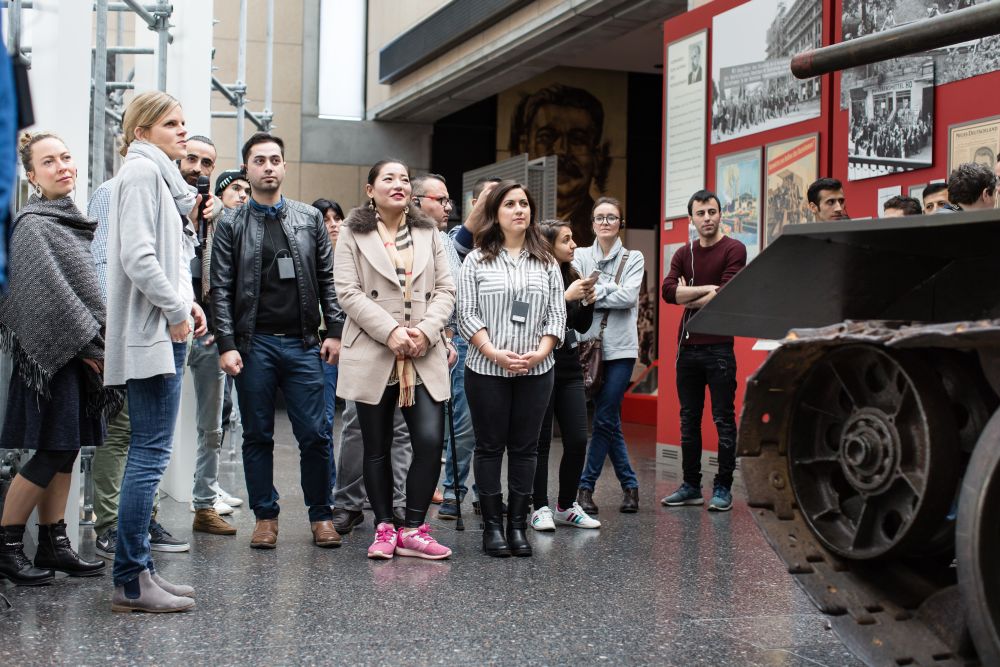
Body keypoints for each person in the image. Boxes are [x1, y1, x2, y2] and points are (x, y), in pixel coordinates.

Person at [211, 132, 342, 550]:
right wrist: (226, 343)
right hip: (254, 345)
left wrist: (335, 331)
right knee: (257, 435)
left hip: (304, 343)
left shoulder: (308, 220)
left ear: (284, 167)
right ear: (247, 169)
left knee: (317, 435)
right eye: (260, 160)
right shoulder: (230, 223)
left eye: (275, 160)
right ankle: (265, 516)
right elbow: (219, 287)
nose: (268, 166)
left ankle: (322, 516)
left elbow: (327, 280)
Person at [106, 91, 206, 613]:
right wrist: (175, 310)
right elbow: (139, 257)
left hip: (164, 329)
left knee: (148, 455)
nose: (182, 131)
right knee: (148, 457)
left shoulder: (160, 178)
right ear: (142, 132)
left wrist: (187, 305)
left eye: (184, 122)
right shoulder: (144, 175)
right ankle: (130, 578)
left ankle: (139, 571)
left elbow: (163, 258)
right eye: (171, 123)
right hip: (154, 335)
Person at [0, 132, 115, 586]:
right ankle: (7, 546)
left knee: (67, 451)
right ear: (32, 176)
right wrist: (90, 348)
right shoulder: (32, 225)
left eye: (66, 157)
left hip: (73, 356)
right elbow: (49, 300)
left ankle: (54, 542)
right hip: (51, 358)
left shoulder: (69, 220)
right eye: (50, 162)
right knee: (51, 451)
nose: (63, 166)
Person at [335, 159, 455, 560]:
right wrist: (391, 332)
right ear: (371, 189)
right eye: (389, 178)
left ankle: (414, 528)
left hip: (423, 349)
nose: (398, 184)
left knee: (428, 440)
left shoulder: (429, 231)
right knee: (377, 445)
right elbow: (347, 293)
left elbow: (445, 289)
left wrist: (425, 331)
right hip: (374, 349)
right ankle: (385, 526)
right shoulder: (352, 233)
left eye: (404, 179)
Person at [458, 180, 566, 558]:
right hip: (486, 368)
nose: (519, 209)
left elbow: (557, 313)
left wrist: (540, 353)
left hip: (537, 370)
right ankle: (492, 528)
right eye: (509, 204)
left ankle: (518, 527)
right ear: (495, 213)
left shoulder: (547, 261)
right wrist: (492, 351)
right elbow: (466, 313)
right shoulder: (476, 259)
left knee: (526, 449)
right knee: (489, 447)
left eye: (524, 203)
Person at [660, 189, 747, 512]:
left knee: (723, 419)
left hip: (720, 348)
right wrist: (704, 291)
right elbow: (669, 292)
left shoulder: (734, 249)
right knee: (689, 420)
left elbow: (727, 294)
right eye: (701, 213)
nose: (707, 218)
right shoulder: (685, 253)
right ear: (692, 218)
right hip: (687, 349)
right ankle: (691, 486)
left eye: (712, 211)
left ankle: (723, 488)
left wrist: (689, 295)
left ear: (720, 213)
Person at [176, 135, 242, 538]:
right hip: (167, 324)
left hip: (210, 330)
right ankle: (143, 515)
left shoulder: (220, 216)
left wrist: (219, 218)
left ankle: (204, 504)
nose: (198, 168)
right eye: (192, 159)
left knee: (212, 425)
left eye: (207, 163)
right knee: (153, 426)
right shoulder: (162, 201)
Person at [572, 197, 644, 515]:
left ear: (620, 223)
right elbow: (577, 293)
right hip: (588, 346)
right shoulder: (581, 255)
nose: (605, 223)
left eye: (611, 217)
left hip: (622, 349)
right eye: (599, 217)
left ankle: (585, 488)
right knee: (609, 418)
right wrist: (607, 290)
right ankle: (630, 486)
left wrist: (596, 291)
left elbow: (628, 298)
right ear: (592, 223)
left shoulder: (634, 257)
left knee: (603, 418)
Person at [530, 219, 600, 531]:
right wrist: (567, 297)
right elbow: (530, 317)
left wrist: (587, 304)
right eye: (566, 240)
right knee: (540, 443)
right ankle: (539, 507)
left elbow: (580, 327)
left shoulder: (571, 275)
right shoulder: (534, 276)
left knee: (577, 440)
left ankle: (566, 506)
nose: (573, 245)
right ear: (548, 245)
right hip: (541, 367)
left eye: (572, 239)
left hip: (570, 368)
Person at [409, 174, 472, 518]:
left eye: (449, 201)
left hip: (444, 341)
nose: (448, 207)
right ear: (417, 200)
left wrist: (445, 334)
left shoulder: (445, 240)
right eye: (441, 200)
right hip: (405, 339)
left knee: (438, 429)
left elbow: (452, 291)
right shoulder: (399, 235)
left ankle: (439, 495)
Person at [509, 84, 611, 246]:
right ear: (524, 148)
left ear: (596, 158)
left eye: (577, 139)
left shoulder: (601, 231)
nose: (561, 151)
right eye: (547, 137)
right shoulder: (510, 226)